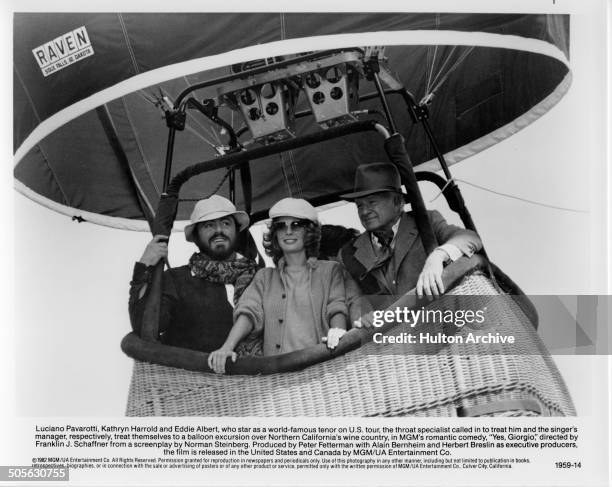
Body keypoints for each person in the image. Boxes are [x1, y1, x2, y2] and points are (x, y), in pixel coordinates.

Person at [208, 198, 349, 373]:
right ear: (274, 234)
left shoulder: (331, 271)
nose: (288, 231)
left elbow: (336, 307)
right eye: (281, 226)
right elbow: (248, 312)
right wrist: (227, 347)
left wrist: (338, 332)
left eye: (296, 225)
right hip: (278, 377)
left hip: (323, 371)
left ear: (309, 232)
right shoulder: (264, 277)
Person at [128, 195, 258, 352]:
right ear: (196, 236)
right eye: (209, 225)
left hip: (252, 375)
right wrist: (145, 265)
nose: (218, 231)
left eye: (225, 223)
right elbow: (143, 327)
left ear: (237, 230)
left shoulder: (260, 277)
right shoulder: (176, 279)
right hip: (190, 376)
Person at [340, 162, 482, 305]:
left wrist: (437, 257)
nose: (364, 211)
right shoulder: (348, 254)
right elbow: (354, 301)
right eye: (360, 206)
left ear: (397, 201)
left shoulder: (426, 222)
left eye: (371, 202)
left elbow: (470, 237)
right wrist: (365, 315)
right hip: (392, 327)